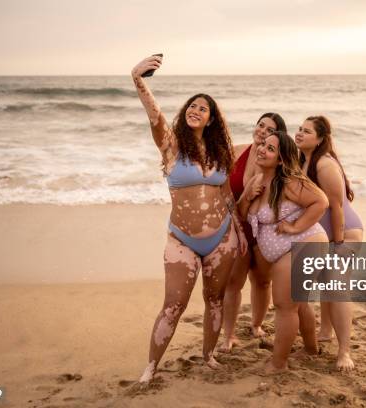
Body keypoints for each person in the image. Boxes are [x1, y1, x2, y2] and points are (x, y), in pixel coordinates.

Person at [131, 55, 247, 383]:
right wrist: (137, 79)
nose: (195, 110)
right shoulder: (171, 146)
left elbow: (226, 195)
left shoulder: (220, 153)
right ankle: (151, 367)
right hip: (181, 238)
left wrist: (237, 232)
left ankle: (208, 356)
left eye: (203, 108)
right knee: (174, 305)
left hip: (221, 238)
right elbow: (155, 118)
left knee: (214, 301)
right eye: (191, 106)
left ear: (211, 120)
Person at [238, 131, 328, 372]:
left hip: (305, 242)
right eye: (263, 145)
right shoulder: (257, 181)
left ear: (281, 159)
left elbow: (321, 201)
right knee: (298, 304)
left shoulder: (288, 181)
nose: (262, 150)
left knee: (285, 306)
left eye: (270, 148)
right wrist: (247, 197)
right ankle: (310, 349)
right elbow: (241, 212)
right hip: (285, 251)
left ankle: (278, 364)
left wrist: (296, 226)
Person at [295, 115, 363, 372]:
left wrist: (337, 243)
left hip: (344, 232)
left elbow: (337, 207)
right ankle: (325, 332)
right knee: (325, 284)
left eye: (307, 131)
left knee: (336, 289)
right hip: (322, 235)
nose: (300, 134)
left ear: (321, 138)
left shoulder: (324, 164)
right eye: (299, 129)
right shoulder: (304, 160)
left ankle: (344, 352)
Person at [221, 113, 287, 352]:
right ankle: (228, 335)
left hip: (263, 229)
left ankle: (256, 325)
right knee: (233, 283)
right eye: (260, 125)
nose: (262, 131)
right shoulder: (237, 151)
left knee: (261, 281)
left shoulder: (276, 164)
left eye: (269, 129)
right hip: (236, 227)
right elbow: (221, 189)